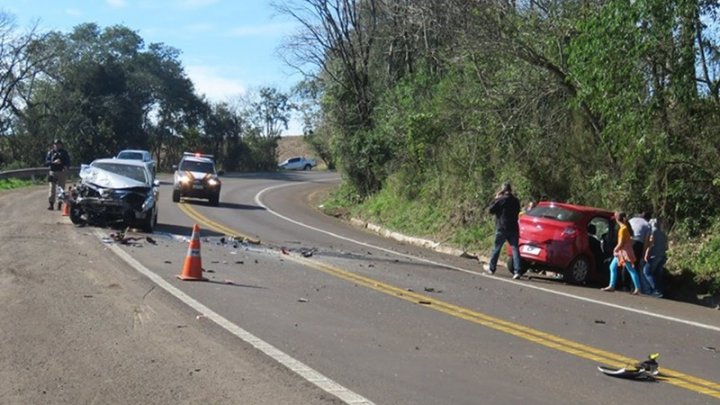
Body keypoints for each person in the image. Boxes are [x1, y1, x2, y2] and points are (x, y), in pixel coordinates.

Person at [484, 182, 522, 279]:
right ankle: (517, 271)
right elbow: (518, 211)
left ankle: (492, 268)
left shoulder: (501, 200)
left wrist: (496, 198)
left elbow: (490, 210)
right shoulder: (516, 201)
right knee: (515, 249)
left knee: (497, 248)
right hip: (513, 227)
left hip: (502, 227)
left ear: (503, 190)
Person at [602, 212, 641, 294]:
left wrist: (615, 250)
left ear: (616, 219)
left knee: (630, 269)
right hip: (622, 252)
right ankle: (611, 285)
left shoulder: (622, 230)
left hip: (624, 252)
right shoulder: (625, 228)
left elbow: (621, 243)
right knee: (612, 267)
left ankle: (638, 288)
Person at [642, 218, 668, 297]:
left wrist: (646, 253)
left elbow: (651, 244)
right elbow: (667, 247)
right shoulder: (664, 234)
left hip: (654, 256)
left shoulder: (653, 232)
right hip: (662, 256)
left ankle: (656, 291)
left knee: (646, 272)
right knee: (658, 274)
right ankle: (660, 291)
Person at [627, 211, 651, 290]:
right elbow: (646, 242)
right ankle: (633, 286)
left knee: (626, 263)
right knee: (635, 265)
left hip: (629, 241)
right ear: (648, 218)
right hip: (638, 244)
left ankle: (624, 285)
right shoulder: (647, 224)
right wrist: (643, 254)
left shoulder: (632, 220)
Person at [45, 139, 71, 211]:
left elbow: (68, 162)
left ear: (61, 145)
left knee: (61, 188)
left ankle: (60, 204)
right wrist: (53, 162)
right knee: (52, 188)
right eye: (55, 144)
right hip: (53, 172)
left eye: (58, 144)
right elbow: (46, 163)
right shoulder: (50, 153)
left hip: (61, 172)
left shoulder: (64, 153)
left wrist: (66, 167)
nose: (57, 145)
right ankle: (51, 204)